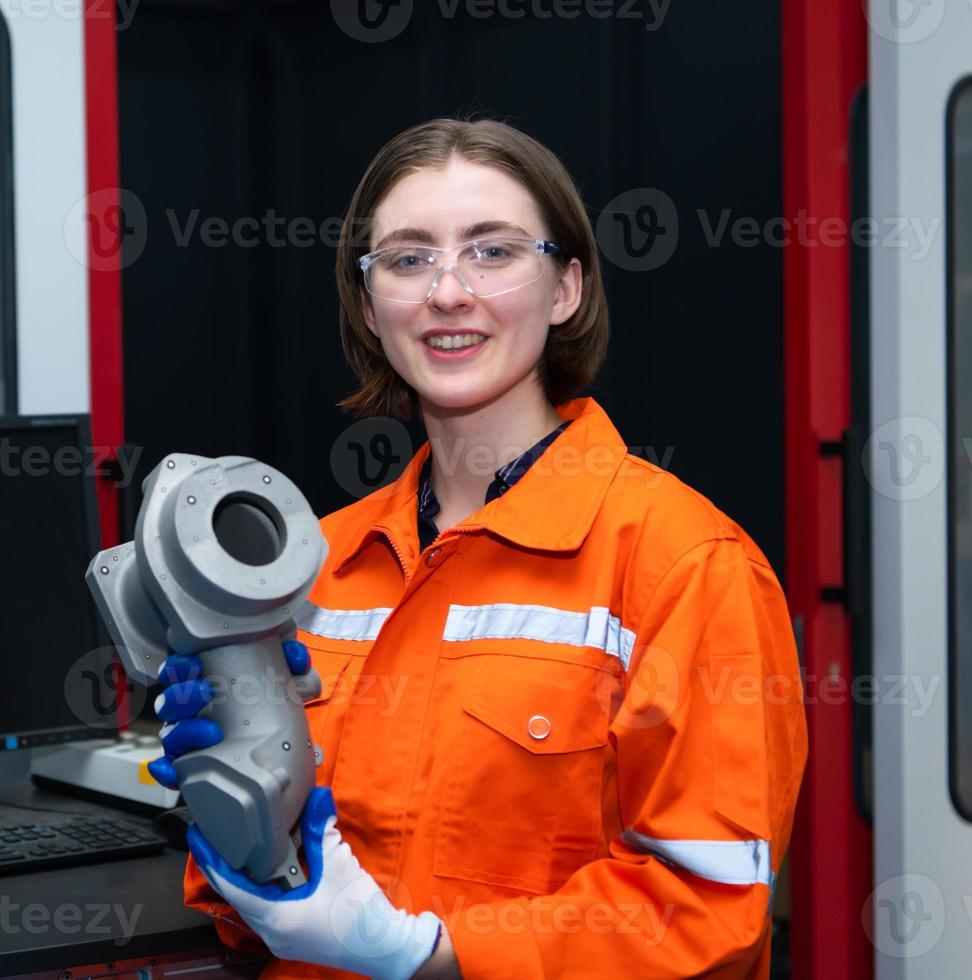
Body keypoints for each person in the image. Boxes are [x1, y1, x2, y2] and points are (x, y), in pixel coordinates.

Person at [145, 117, 808, 979]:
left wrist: (427, 956)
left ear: (566, 286)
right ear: (368, 301)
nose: (448, 293)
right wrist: (230, 813)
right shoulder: (312, 566)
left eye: (493, 252)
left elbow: (707, 919)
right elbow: (256, 894)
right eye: (409, 258)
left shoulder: (685, 565)